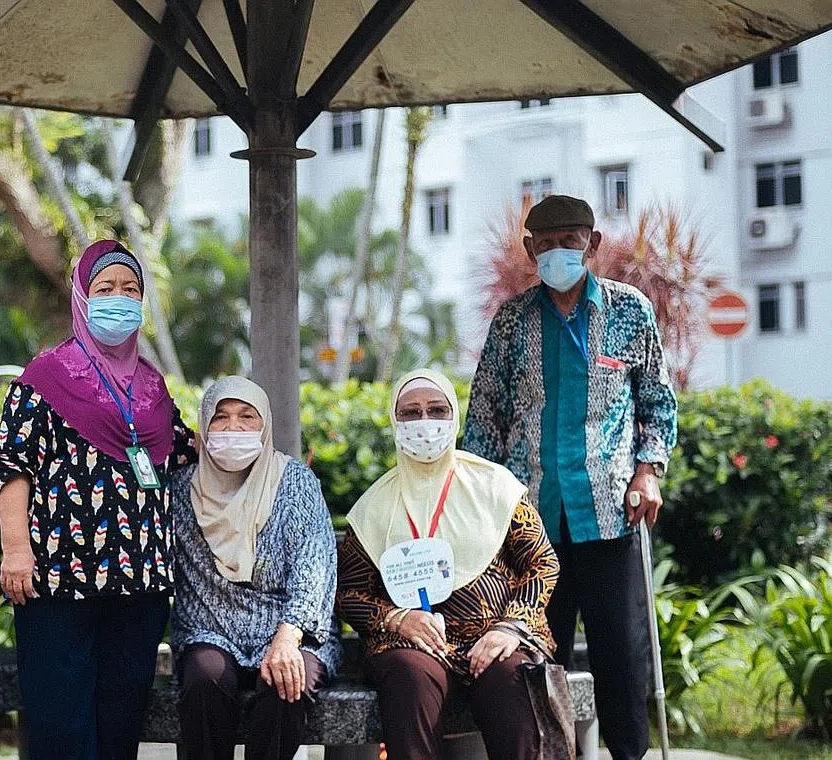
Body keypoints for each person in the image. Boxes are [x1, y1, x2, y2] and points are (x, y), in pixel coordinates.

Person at [462, 194, 679, 760]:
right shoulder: (512, 321)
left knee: (622, 660)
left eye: (570, 241)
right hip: (530, 525)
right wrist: (480, 503)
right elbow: (484, 417)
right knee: (536, 660)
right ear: (530, 249)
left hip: (610, 513)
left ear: (593, 244)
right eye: (547, 244)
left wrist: (648, 471)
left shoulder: (630, 311)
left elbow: (657, 401)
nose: (558, 252)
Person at [0, 240, 197, 760]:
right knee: (61, 724)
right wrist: (16, 550)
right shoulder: (45, 378)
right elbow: (11, 464)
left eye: (130, 289)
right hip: (59, 580)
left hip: (140, 582)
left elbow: (184, 451)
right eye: (105, 289)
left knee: (120, 724)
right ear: (82, 296)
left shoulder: (152, 385)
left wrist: (270, 462)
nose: (119, 299)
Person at [336, 368, 560, 760]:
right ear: (394, 421)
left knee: (512, 676)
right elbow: (347, 592)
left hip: (495, 635)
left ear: (454, 416)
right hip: (413, 642)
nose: (425, 422)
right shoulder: (375, 506)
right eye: (411, 413)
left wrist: (510, 627)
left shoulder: (495, 486)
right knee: (409, 674)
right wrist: (397, 619)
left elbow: (541, 563)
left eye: (437, 410)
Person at [171, 376, 342, 760]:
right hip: (211, 628)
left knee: (287, 685)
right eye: (221, 417)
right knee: (205, 681)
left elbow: (314, 565)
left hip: (291, 630)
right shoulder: (182, 489)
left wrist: (288, 636)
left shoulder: (294, 481)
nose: (233, 427)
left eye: (247, 416)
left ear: (265, 424)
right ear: (204, 426)